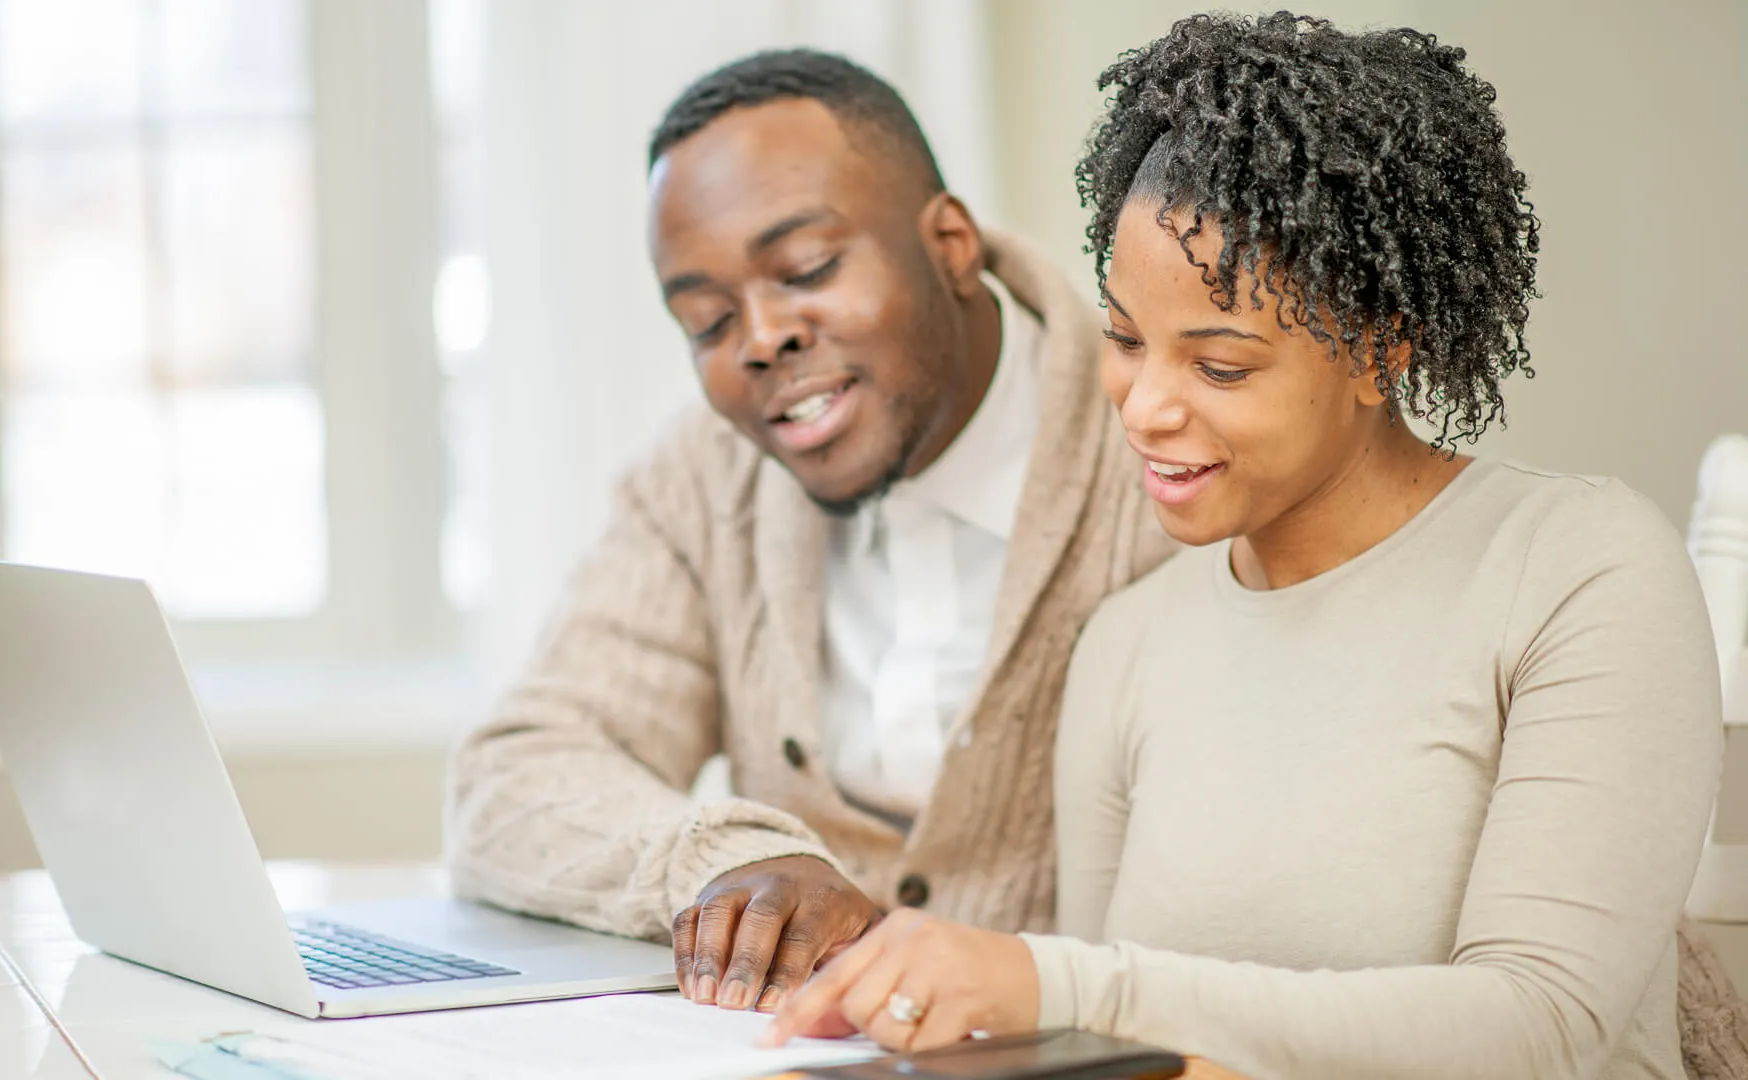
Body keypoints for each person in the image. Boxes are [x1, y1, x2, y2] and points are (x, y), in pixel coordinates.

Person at [763, 14, 1728, 1078]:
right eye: (1126, 341)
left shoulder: (1579, 571)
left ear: (1379, 349)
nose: (1145, 409)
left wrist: (1058, 981)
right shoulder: (1130, 643)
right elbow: (1114, 1058)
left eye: (1220, 367)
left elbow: (1541, 1031)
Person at [444, 49, 1173, 1015]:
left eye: (807, 269)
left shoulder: (1163, 447)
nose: (760, 339)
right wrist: (741, 859)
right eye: (707, 321)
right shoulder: (710, 475)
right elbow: (514, 777)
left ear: (951, 243)